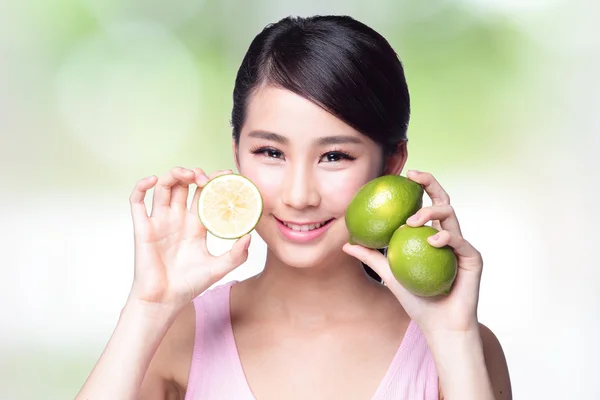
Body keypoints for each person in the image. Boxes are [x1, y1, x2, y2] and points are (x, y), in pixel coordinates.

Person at [75, 15, 511, 400]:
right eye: (271, 152)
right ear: (237, 154)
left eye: (334, 156)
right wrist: (147, 308)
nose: (299, 196)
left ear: (391, 163)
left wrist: (453, 339)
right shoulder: (176, 336)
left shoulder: (461, 345)